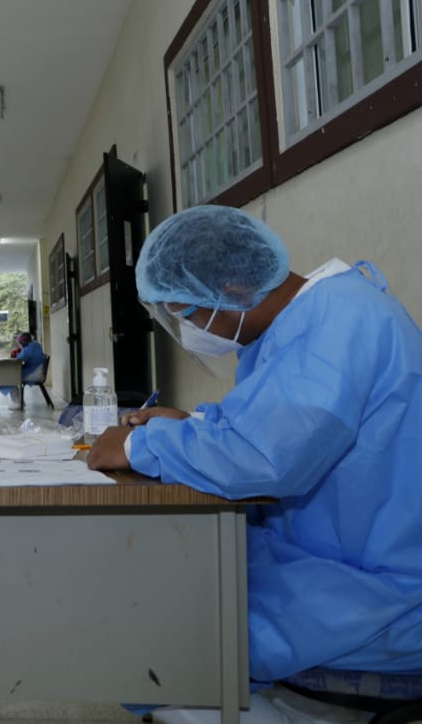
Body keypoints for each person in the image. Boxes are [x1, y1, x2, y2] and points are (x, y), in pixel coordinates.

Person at [87, 205, 422, 719]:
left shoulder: (338, 323)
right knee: (158, 591)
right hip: (322, 559)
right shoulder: (307, 319)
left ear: (235, 289)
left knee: (160, 637)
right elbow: (271, 420)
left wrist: (137, 447)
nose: (189, 329)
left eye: (187, 313)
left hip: (381, 597)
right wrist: (193, 422)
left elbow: (264, 457)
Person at [0, 332, 45, 400]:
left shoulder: (30, 347)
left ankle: (17, 402)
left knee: (10, 378)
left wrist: (15, 354)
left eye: (20, 343)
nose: (21, 344)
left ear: (23, 342)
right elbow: (23, 356)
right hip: (38, 372)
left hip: (34, 374)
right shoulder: (35, 345)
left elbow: (20, 358)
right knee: (11, 376)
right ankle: (18, 401)